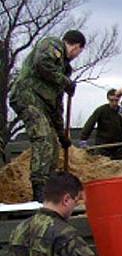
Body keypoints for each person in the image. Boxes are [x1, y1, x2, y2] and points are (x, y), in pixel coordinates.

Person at [10, 30, 85, 202]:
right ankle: (39, 193)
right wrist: (66, 82)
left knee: (52, 144)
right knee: (43, 138)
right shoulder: (52, 44)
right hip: (27, 97)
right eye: (78, 52)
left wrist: (61, 135)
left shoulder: (63, 70)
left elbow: (57, 108)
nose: (76, 55)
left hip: (43, 106)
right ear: (75, 46)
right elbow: (41, 63)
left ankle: (49, 188)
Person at [78, 89, 122, 158]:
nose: (114, 103)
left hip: (118, 146)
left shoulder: (121, 112)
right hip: (102, 146)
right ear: (108, 99)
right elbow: (90, 124)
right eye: (111, 100)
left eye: (116, 100)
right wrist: (83, 139)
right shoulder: (101, 110)